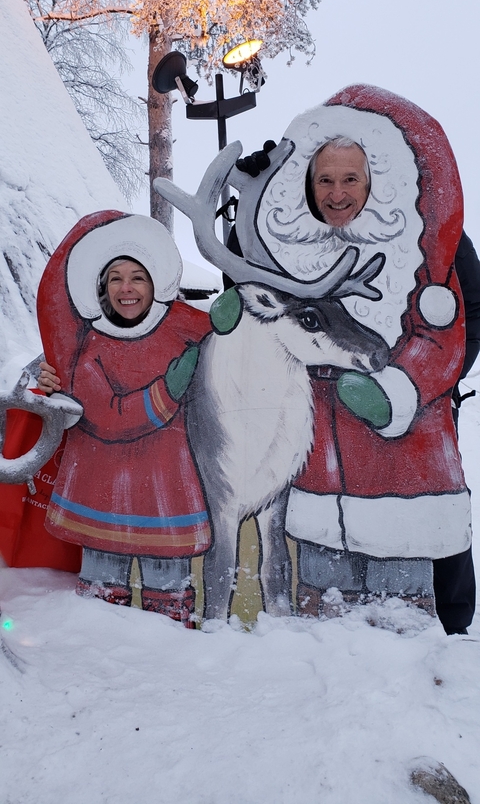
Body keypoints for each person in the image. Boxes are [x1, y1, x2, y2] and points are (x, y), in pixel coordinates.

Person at [229, 127, 477, 634]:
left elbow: (472, 311)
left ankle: (447, 635)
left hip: (412, 430)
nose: (336, 193)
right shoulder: (286, 239)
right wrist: (249, 212)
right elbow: (245, 289)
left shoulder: (427, 236)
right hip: (317, 438)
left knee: (424, 544)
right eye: (324, 179)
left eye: (349, 179)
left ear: (373, 182)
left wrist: (417, 388)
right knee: (324, 582)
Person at [37, 211, 212, 626]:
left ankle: (174, 665)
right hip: (100, 495)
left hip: (166, 491)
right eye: (115, 277)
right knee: (101, 598)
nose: (127, 287)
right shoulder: (88, 345)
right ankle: (101, 664)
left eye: (138, 276)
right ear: (102, 286)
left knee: (169, 598)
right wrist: (169, 388)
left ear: (156, 282)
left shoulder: (183, 324)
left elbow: (235, 338)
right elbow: (109, 418)